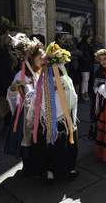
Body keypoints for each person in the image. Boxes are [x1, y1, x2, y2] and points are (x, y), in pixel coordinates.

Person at [29, 41, 79, 182]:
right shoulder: (66, 80)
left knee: (49, 146)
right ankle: (69, 168)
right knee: (67, 144)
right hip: (64, 121)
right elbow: (74, 99)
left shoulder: (42, 81)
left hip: (47, 122)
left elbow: (35, 99)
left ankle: (50, 173)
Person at [3, 34, 47, 178]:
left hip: (39, 113)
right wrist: (14, 88)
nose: (42, 61)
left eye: (43, 58)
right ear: (31, 58)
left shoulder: (40, 72)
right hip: (27, 114)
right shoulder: (21, 75)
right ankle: (29, 169)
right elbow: (12, 95)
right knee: (27, 142)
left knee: (38, 143)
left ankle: (38, 166)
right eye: (40, 58)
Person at [88, 49, 106, 140]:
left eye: (105, 59)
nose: (103, 61)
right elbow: (95, 84)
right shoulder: (99, 71)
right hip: (100, 98)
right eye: (101, 59)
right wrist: (98, 90)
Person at [62, 34, 83, 98]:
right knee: (69, 82)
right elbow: (67, 56)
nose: (72, 40)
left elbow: (80, 53)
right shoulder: (64, 47)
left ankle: (77, 96)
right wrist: (74, 55)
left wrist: (73, 54)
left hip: (76, 67)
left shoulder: (73, 46)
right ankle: (70, 97)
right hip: (69, 67)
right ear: (67, 40)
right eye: (71, 39)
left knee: (77, 82)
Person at [77, 35, 93, 102]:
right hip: (84, 65)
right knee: (84, 79)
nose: (90, 40)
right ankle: (83, 94)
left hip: (87, 64)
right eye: (89, 39)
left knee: (87, 79)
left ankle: (86, 93)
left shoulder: (87, 46)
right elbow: (81, 56)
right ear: (86, 39)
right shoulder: (82, 46)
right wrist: (86, 61)